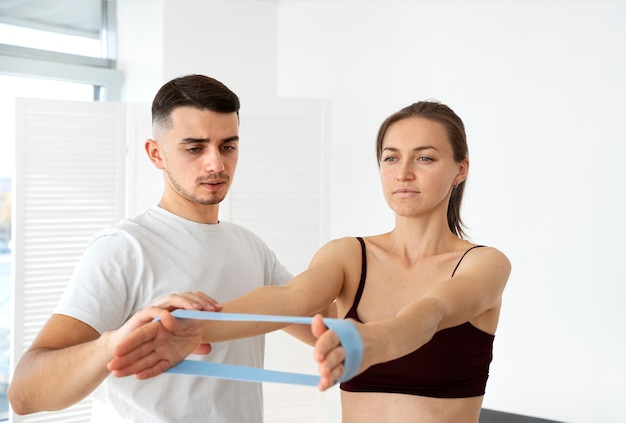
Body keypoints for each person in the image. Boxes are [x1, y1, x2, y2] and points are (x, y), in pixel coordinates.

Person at [108, 100, 512, 423]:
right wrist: (190, 328)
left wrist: (377, 340)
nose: (403, 172)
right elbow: (290, 299)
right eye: (391, 158)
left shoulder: (485, 265)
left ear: (460, 170)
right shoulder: (349, 255)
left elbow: (432, 312)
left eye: (424, 158)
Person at [7, 74, 303, 422]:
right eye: (195, 148)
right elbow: (23, 394)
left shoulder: (252, 248)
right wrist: (112, 343)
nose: (216, 164)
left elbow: (329, 329)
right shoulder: (123, 249)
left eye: (228, 146)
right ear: (155, 153)